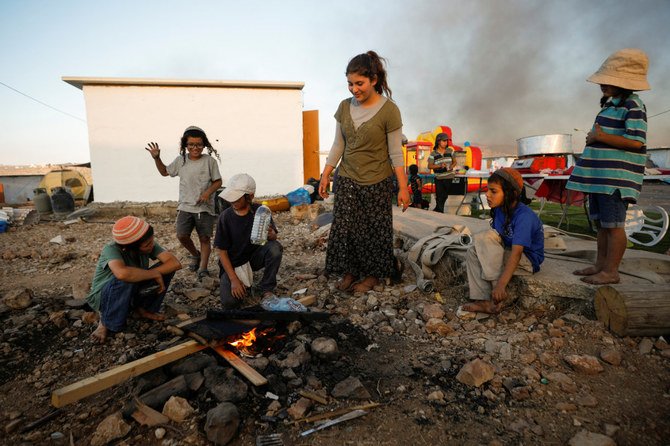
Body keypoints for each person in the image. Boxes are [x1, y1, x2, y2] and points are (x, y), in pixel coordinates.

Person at [318, 50, 410, 293]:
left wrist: (403, 187)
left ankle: (372, 276)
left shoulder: (390, 111)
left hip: (377, 180)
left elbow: (395, 153)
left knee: (373, 230)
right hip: (347, 177)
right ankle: (350, 271)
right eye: (350, 83)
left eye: (359, 83)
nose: (354, 89)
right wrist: (326, 173)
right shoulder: (344, 107)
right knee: (346, 227)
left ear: (374, 80)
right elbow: (339, 143)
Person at [566, 48, 650, 285]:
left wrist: (598, 138)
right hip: (599, 179)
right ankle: (600, 265)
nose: (602, 84)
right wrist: (596, 138)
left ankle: (611, 271)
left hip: (614, 180)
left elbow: (636, 141)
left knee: (614, 226)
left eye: (608, 80)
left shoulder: (634, 105)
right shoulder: (610, 105)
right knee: (602, 225)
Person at [86, 216, 182, 343]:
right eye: (147, 244)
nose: (151, 245)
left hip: (130, 287)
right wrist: (154, 274)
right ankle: (105, 322)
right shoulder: (111, 249)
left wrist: (154, 273)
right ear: (129, 247)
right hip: (106, 294)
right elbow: (121, 274)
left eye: (152, 241)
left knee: (165, 270)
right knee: (126, 277)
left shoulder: (146, 243)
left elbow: (174, 263)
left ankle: (143, 309)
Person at [461, 168, 544, 314]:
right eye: (487, 190)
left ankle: (496, 299)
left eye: (493, 191)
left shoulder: (524, 217)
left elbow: (517, 253)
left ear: (511, 193)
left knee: (485, 238)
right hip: (507, 251)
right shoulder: (500, 210)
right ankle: (482, 300)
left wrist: (500, 285)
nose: (487, 194)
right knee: (473, 252)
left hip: (527, 260)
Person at [146, 126, 222, 279]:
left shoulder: (209, 161)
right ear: (185, 146)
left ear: (204, 145)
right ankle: (195, 254)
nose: (195, 148)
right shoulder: (181, 160)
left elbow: (218, 181)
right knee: (181, 235)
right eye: (191, 144)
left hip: (204, 208)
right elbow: (164, 172)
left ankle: (203, 268)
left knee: (205, 238)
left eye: (199, 144)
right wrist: (156, 158)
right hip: (185, 206)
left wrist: (207, 193)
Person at [214, 173, 283, 309]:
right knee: (230, 303)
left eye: (237, 199)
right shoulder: (225, 217)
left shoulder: (261, 211)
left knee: (275, 248)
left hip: (253, 259)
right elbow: (221, 251)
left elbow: (273, 237)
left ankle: (266, 288)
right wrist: (234, 280)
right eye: (231, 198)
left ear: (249, 196)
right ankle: (240, 282)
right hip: (233, 264)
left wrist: (271, 234)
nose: (233, 202)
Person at [427, 133, 455, 213]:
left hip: (449, 177)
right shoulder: (433, 154)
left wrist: (451, 166)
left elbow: (455, 162)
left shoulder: (450, 151)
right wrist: (439, 165)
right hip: (438, 177)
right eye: (444, 141)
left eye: (446, 141)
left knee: (444, 196)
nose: (446, 142)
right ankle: (439, 211)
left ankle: (438, 210)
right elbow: (429, 166)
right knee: (439, 196)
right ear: (438, 141)